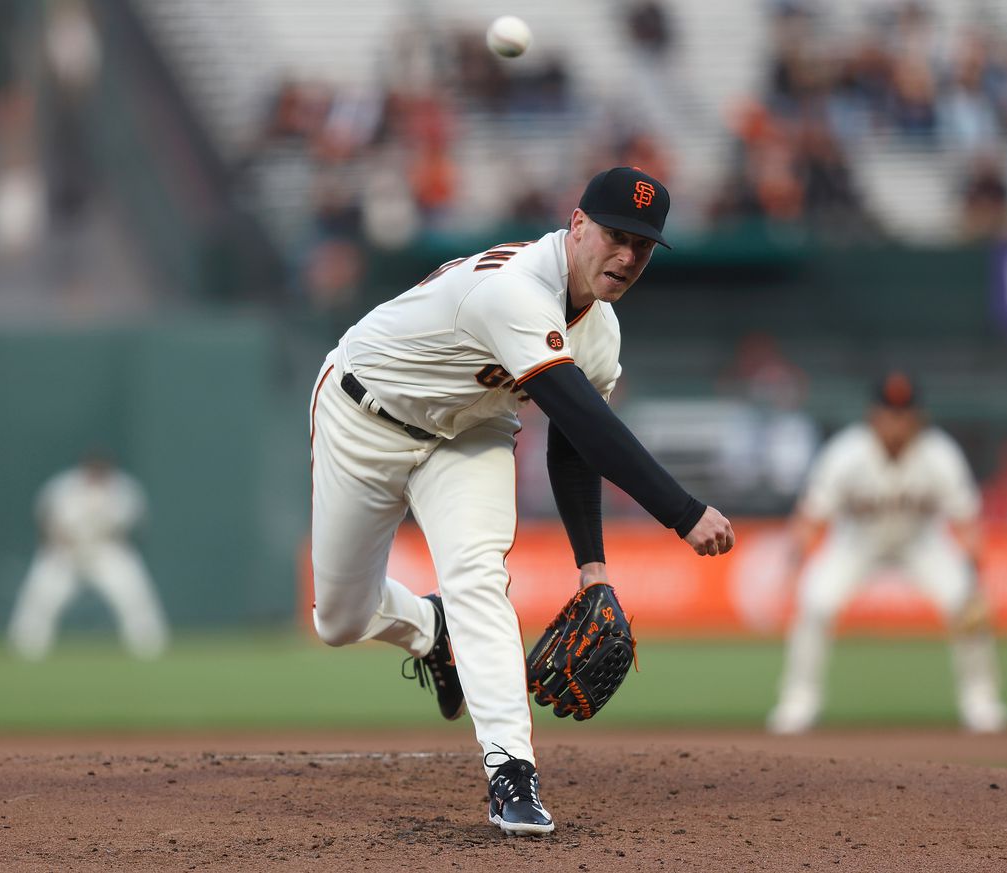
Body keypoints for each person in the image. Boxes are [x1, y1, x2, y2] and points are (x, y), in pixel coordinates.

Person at [308, 167, 735, 836]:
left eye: (643, 247)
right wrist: (681, 511)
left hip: (469, 431)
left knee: (479, 575)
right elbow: (587, 419)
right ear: (577, 226)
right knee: (337, 618)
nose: (626, 257)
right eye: (616, 237)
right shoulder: (515, 289)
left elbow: (571, 442)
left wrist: (592, 564)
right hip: (364, 413)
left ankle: (513, 773)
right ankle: (430, 629)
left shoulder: (601, 331)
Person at [767, 372, 1007, 735]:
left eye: (904, 412)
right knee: (815, 602)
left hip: (920, 541)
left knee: (965, 602)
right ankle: (798, 702)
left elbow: (966, 521)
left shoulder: (939, 453)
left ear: (918, 417)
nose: (896, 421)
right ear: (873, 415)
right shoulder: (846, 453)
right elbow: (811, 515)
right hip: (856, 541)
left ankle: (981, 700)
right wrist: (795, 561)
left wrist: (975, 579)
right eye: (889, 411)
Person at [7, 453, 168, 661]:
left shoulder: (123, 489)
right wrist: (57, 540)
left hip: (106, 550)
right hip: (65, 549)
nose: (96, 474)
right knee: (41, 597)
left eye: (101, 470)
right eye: (93, 469)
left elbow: (131, 526)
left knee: (134, 596)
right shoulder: (63, 486)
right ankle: (26, 646)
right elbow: (45, 518)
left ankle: (149, 646)